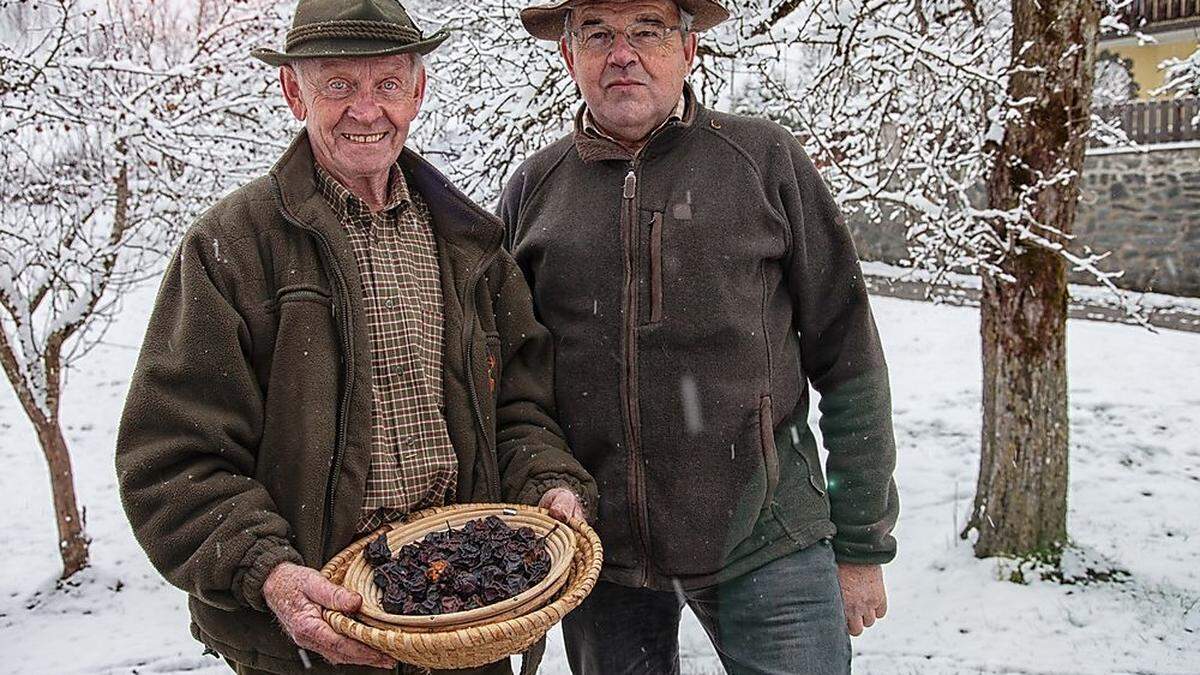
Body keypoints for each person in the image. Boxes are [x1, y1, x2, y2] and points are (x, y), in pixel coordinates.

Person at [116, 1, 595, 673]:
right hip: (315, 638)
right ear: (293, 92)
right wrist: (272, 572)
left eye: (387, 84)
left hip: (459, 612)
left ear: (417, 91)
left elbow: (519, 408)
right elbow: (171, 463)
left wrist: (546, 481)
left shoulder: (470, 245)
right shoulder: (230, 248)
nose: (366, 110)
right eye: (338, 84)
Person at [500, 1, 899, 673]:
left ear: (689, 50)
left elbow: (849, 353)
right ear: (569, 56)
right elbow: (515, 380)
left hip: (768, 538)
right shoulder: (536, 189)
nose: (621, 52)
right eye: (597, 32)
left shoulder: (763, 161)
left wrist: (861, 541)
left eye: (646, 30)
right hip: (604, 553)